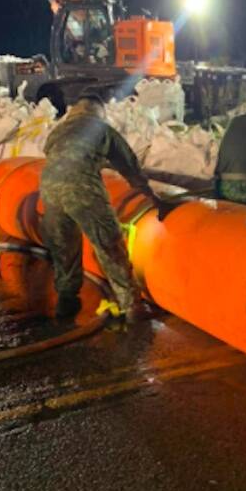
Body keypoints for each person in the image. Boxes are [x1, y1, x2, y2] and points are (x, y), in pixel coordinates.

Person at [40, 89, 155, 322]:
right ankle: (131, 305)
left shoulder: (58, 130)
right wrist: (147, 192)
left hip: (49, 188)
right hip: (81, 187)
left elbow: (51, 152)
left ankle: (66, 298)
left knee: (65, 247)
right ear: (98, 111)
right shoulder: (101, 129)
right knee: (109, 243)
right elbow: (128, 163)